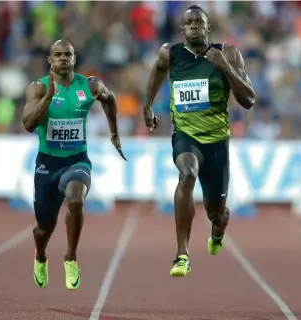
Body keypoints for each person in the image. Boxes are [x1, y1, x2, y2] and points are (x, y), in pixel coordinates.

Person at [143, 5, 255, 278]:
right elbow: (157, 71)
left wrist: (226, 68)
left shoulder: (227, 53)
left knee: (216, 213)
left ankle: (218, 228)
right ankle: (182, 254)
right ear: (182, 30)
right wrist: (147, 105)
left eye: (199, 22)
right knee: (186, 173)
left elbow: (248, 99)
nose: (194, 25)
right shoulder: (170, 53)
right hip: (186, 136)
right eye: (189, 22)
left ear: (207, 28)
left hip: (216, 141)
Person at [22, 39, 127, 290]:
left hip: (77, 159)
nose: (63, 58)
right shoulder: (39, 88)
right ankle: (41, 254)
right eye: (57, 55)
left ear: (74, 58)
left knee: (76, 198)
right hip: (47, 164)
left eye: (67, 54)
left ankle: (70, 257)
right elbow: (27, 125)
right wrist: (47, 99)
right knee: (43, 229)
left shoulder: (89, 85)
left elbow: (110, 99)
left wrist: (114, 133)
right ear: (50, 60)